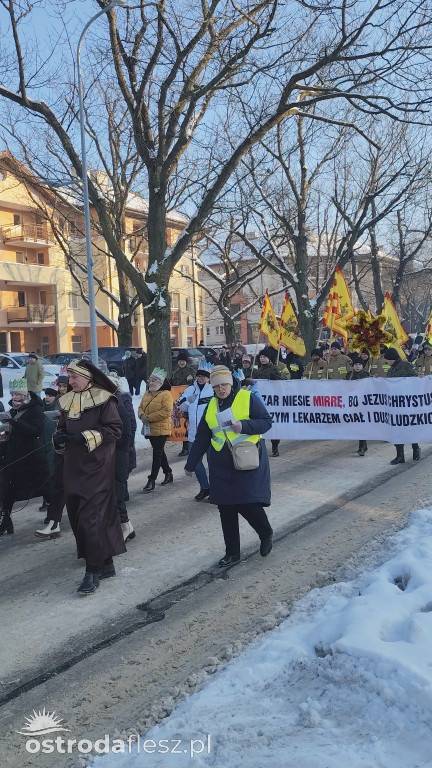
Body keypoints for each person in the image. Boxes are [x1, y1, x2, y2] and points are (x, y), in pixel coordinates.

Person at [185, 365, 273, 567]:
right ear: (212, 387)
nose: (221, 389)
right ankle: (232, 553)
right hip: (221, 463)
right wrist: (191, 464)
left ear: (231, 384)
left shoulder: (247, 398)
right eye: (217, 386)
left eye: (224, 384)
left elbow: (266, 422)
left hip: (246, 460)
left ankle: (265, 532)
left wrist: (244, 425)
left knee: (247, 503)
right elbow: (202, 438)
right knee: (226, 509)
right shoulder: (211, 406)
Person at [53, 360, 125, 594]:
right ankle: (106, 563)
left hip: (97, 467)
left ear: (87, 377)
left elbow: (115, 430)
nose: (70, 381)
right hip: (73, 467)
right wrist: (60, 436)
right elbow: (63, 427)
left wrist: (85, 437)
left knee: (90, 518)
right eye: (69, 377)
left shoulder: (104, 399)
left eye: (74, 377)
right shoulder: (67, 401)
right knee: (77, 515)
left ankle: (91, 570)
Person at [0, 378, 52, 536]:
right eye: (13, 394)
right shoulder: (13, 411)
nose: (14, 398)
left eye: (18, 395)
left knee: (43, 487)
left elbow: (35, 431)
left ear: (25, 395)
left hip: (32, 458)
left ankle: (53, 517)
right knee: (8, 489)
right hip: (14, 457)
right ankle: (6, 520)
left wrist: (15, 423)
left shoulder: (35, 410)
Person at [179, 363, 214, 501]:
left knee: (213, 463)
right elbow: (181, 405)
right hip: (194, 434)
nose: (201, 379)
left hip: (210, 434)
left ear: (208, 378)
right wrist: (188, 401)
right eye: (199, 376)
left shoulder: (212, 390)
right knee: (196, 462)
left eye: (204, 377)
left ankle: (216, 489)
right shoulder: (190, 389)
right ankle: (204, 487)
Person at [138, 368, 174, 492]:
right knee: (159, 452)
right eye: (150, 380)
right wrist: (142, 415)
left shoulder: (166, 394)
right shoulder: (147, 393)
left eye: (154, 380)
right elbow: (140, 407)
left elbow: (166, 411)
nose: (151, 382)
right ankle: (168, 472)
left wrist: (149, 418)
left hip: (161, 429)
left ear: (160, 382)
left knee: (156, 454)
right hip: (149, 429)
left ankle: (151, 479)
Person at [384, 347, 420, 464]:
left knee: (408, 428)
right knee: (396, 430)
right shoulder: (390, 371)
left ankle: (415, 448)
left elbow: (417, 381)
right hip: (394, 405)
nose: (386, 362)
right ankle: (400, 456)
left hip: (407, 403)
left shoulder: (407, 366)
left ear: (392, 358)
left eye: (387, 360)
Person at [254, 347, 288, 457]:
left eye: (264, 357)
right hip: (262, 401)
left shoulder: (275, 369)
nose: (262, 359)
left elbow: (283, 382)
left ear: (269, 358)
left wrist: (276, 378)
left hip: (273, 401)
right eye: (261, 357)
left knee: (274, 425)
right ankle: (260, 445)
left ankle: (275, 446)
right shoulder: (258, 370)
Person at [170, 351, 195, 455]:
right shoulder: (174, 373)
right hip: (179, 402)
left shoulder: (192, 371)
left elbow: (196, 385)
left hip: (189, 401)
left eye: (183, 361)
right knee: (181, 423)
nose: (182, 363)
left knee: (189, 424)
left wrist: (191, 380)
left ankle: (190, 446)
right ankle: (185, 447)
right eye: (180, 361)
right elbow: (171, 385)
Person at [346, 355, 370, 456]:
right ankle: (363, 445)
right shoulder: (349, 375)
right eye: (356, 364)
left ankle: (362, 446)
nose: (357, 366)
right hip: (353, 403)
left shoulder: (366, 375)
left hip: (364, 403)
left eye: (360, 364)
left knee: (362, 424)